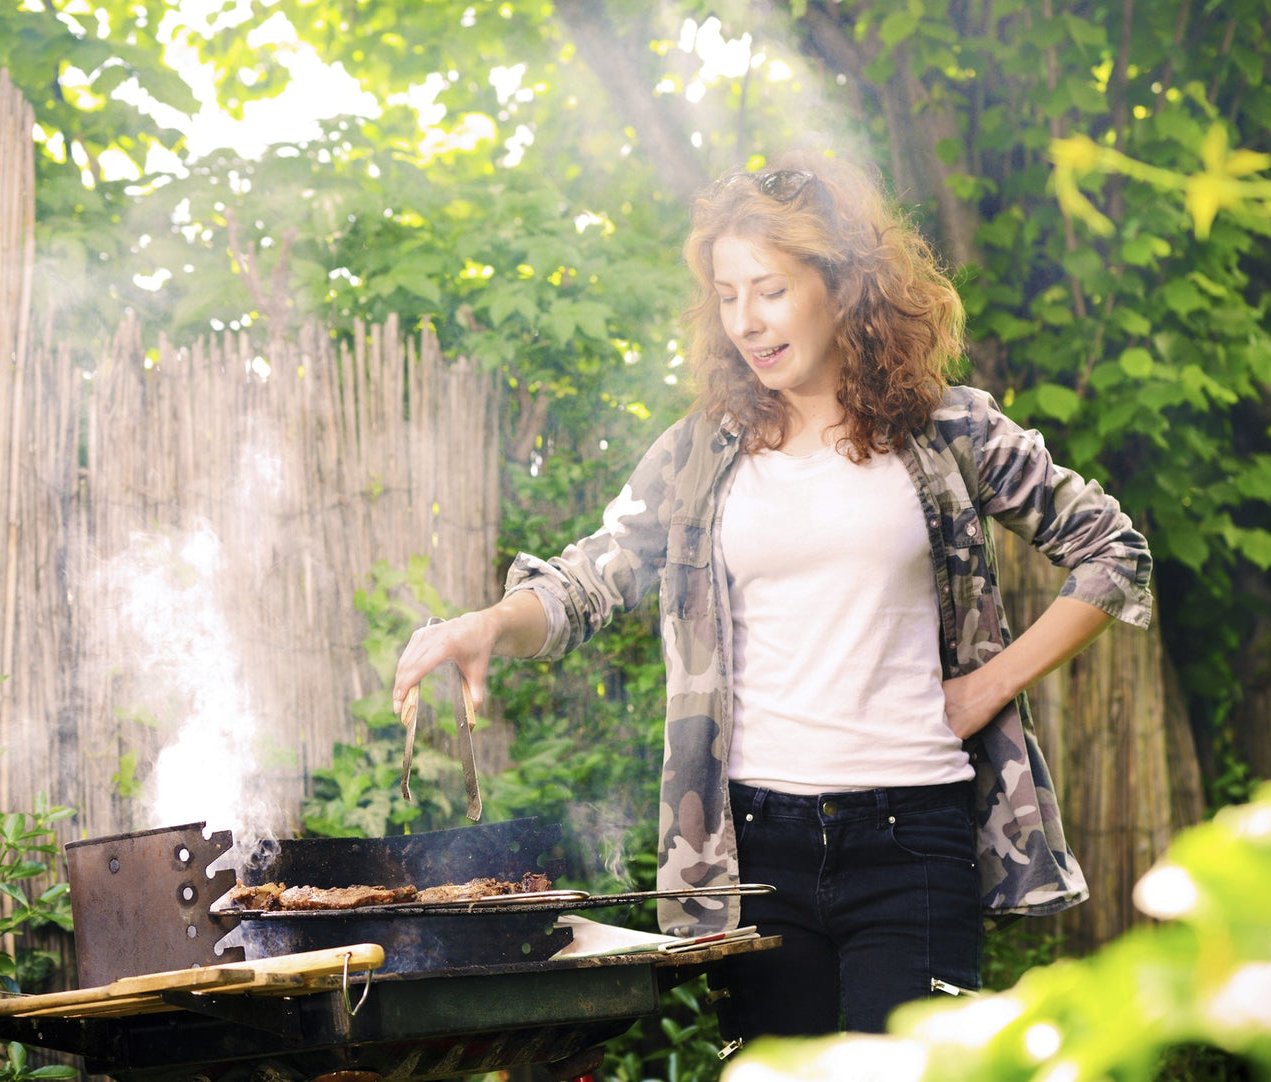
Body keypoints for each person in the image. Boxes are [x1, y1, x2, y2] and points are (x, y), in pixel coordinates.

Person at [390, 152, 1153, 1042]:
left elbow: (1113, 551)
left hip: (913, 835)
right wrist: (489, 623)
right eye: (726, 294)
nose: (746, 320)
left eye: (770, 289)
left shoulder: (950, 430)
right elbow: (586, 582)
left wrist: (985, 689)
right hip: (751, 848)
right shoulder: (698, 453)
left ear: (842, 284)